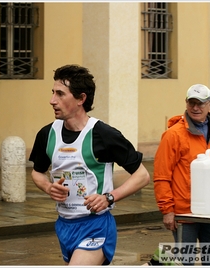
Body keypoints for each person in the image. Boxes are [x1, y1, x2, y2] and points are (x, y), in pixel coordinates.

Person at [29, 64, 150, 266]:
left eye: (60, 94)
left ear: (81, 99)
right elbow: (37, 173)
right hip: (64, 225)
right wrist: (49, 187)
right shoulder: (47, 134)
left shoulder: (103, 134)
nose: (52, 101)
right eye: (53, 93)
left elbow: (142, 176)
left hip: (96, 225)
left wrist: (109, 197)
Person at [153, 84, 210, 265]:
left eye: (200, 103)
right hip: (184, 213)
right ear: (186, 103)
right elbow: (162, 175)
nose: (195, 108)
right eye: (192, 103)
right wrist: (168, 210)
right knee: (184, 261)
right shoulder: (173, 135)